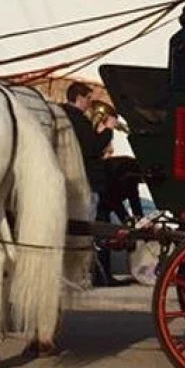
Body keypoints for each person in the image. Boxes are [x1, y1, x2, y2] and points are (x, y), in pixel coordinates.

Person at [62, 81, 114, 284]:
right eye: (88, 99)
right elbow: (91, 148)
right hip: (87, 181)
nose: (90, 105)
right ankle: (82, 274)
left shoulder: (64, 116)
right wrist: (108, 130)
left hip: (74, 179)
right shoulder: (78, 119)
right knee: (86, 230)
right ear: (79, 98)